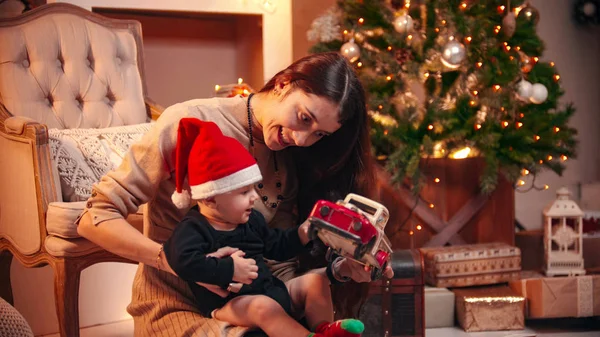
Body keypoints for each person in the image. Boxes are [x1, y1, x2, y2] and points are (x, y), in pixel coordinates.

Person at [76, 52, 393, 336]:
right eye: (304, 118)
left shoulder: (288, 160)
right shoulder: (189, 121)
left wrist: (338, 271)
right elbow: (94, 218)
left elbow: (274, 258)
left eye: (319, 134)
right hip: (173, 307)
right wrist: (180, 263)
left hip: (254, 301)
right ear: (283, 84)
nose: (301, 139)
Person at [163, 118, 365, 337]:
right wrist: (230, 269)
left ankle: (324, 328)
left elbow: (275, 246)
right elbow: (183, 262)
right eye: (243, 193)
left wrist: (303, 233)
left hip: (271, 289)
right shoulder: (193, 229)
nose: (253, 198)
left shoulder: (251, 220)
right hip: (233, 304)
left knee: (315, 281)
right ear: (210, 199)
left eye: (253, 190)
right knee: (263, 308)